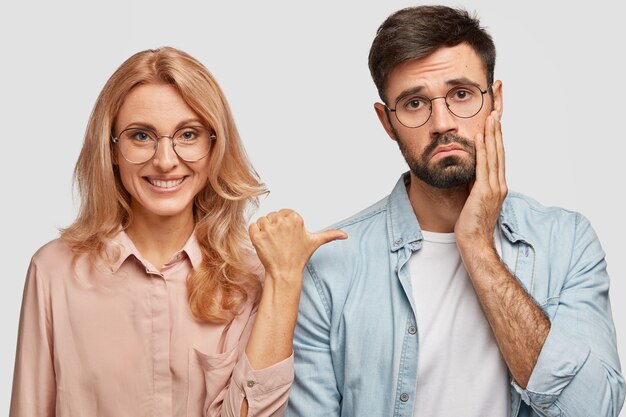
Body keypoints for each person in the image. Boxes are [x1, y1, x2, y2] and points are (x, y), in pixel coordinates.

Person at [285, 6, 624, 417]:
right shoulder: (330, 267)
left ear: (495, 100)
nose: (442, 122)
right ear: (386, 122)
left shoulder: (566, 241)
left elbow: (596, 409)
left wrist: (477, 245)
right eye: (414, 103)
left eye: (461, 94)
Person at [9, 47, 345, 417]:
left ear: (214, 146)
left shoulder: (252, 278)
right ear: (111, 149)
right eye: (141, 136)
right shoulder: (54, 271)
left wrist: (284, 278)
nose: (165, 160)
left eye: (188, 134)